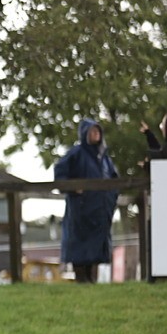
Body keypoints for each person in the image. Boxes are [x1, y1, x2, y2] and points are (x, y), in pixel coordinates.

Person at [54, 118, 118, 284]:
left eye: (98, 131)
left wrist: (110, 199)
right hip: (81, 210)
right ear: (85, 134)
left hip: (99, 212)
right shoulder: (76, 154)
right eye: (92, 131)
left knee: (96, 246)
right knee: (79, 244)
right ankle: (81, 279)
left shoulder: (104, 157)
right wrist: (73, 188)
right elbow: (60, 173)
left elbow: (114, 179)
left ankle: (92, 279)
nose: (96, 134)